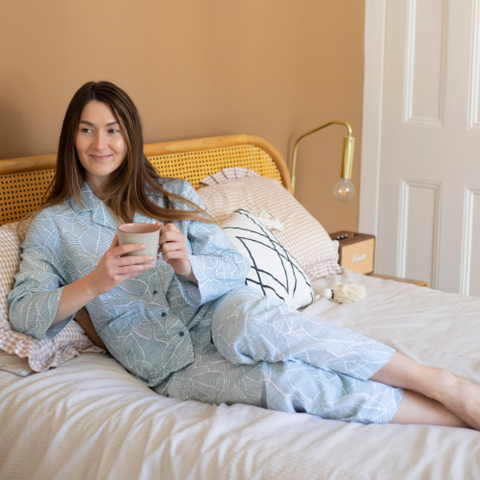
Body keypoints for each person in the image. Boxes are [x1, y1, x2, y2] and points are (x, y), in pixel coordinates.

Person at [8, 81, 480, 430]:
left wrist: (187, 265)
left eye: (112, 129)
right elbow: (25, 312)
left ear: (130, 136)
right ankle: (452, 420)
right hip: (170, 364)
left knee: (263, 325)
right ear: (72, 137)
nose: (100, 143)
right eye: (87, 130)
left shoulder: (170, 194)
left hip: (218, 311)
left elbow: (234, 267)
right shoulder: (53, 225)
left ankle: (438, 381)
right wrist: (95, 282)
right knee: (288, 385)